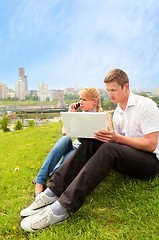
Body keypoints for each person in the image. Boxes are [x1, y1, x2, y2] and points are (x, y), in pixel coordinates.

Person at [20, 69, 159, 231]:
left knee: (109, 148)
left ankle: (62, 209)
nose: (110, 95)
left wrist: (115, 138)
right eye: (108, 91)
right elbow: (121, 145)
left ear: (126, 87)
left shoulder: (145, 105)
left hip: (151, 162)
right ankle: (52, 192)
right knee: (93, 141)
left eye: (114, 90)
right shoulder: (118, 112)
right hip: (131, 157)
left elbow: (150, 144)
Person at [31, 87, 102, 198]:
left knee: (60, 168)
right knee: (65, 139)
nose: (80, 102)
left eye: (84, 99)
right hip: (73, 146)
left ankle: (48, 175)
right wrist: (70, 114)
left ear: (94, 101)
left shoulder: (100, 118)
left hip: (81, 152)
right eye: (80, 99)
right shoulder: (79, 115)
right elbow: (65, 132)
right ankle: (40, 182)